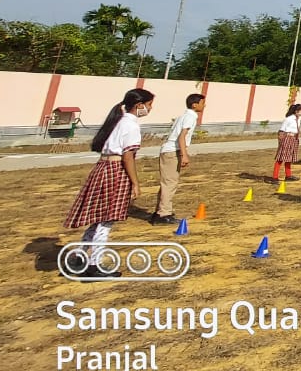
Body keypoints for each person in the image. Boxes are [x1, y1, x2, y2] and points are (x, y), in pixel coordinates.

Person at [63, 88, 153, 279]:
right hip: (115, 171)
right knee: (106, 221)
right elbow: (128, 156)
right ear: (139, 105)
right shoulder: (131, 126)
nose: (150, 108)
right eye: (149, 104)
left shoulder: (118, 121)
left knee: (98, 219)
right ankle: (94, 264)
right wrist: (135, 182)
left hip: (102, 169)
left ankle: (78, 258)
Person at [151, 92, 203, 225]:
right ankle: (164, 214)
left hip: (168, 151)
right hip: (172, 152)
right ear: (194, 105)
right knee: (170, 183)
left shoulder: (183, 116)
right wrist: (184, 155)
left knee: (167, 183)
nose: (204, 105)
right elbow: (182, 137)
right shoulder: (190, 117)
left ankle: (159, 211)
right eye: (202, 103)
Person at [274, 103, 301, 182]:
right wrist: (281, 142)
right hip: (287, 139)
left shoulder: (298, 119)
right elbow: (281, 130)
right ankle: (275, 177)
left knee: (289, 158)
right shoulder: (288, 119)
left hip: (293, 139)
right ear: (296, 111)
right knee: (280, 158)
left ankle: (288, 175)